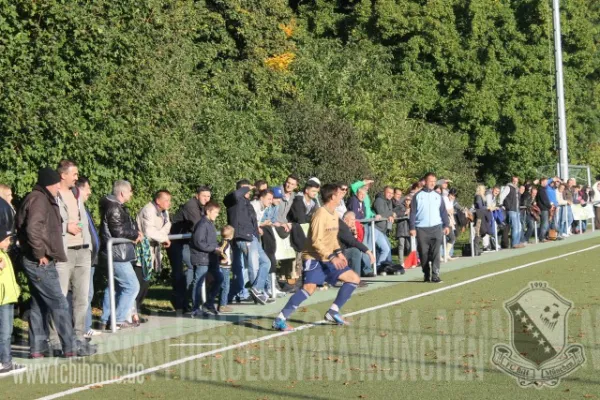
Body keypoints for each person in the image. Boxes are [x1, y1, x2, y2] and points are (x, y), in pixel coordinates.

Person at [17, 167, 96, 357]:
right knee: (59, 302)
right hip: (40, 261)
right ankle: (70, 347)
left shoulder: (38, 197)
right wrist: (40, 254)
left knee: (38, 304)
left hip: (37, 259)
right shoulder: (39, 199)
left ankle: (37, 349)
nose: (57, 188)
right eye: (55, 184)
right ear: (50, 184)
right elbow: (33, 229)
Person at [273, 183, 361, 331]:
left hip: (329, 256)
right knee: (309, 288)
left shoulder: (334, 213)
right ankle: (280, 319)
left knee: (353, 279)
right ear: (332, 196)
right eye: (340, 193)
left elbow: (332, 238)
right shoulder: (320, 214)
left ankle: (333, 312)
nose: (343, 195)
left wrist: (339, 253)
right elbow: (316, 241)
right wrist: (333, 257)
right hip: (314, 258)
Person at [49, 160, 92, 350]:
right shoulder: (52, 194)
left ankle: (78, 336)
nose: (77, 177)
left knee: (82, 298)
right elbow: (47, 222)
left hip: (83, 250)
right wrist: (66, 227)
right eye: (74, 174)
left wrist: (89, 245)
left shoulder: (76, 193)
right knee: (58, 298)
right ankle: (54, 340)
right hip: (63, 252)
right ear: (63, 175)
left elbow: (84, 220)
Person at [99, 180, 142, 329]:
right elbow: (119, 232)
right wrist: (135, 234)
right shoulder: (114, 208)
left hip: (117, 252)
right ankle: (118, 319)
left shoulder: (116, 206)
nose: (131, 194)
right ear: (122, 193)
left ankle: (105, 319)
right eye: (130, 191)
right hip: (117, 253)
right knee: (132, 286)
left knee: (114, 287)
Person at [224, 180, 271, 305]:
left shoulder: (247, 203)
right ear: (241, 189)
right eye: (247, 189)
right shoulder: (233, 201)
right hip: (243, 237)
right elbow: (232, 196)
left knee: (266, 262)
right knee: (252, 266)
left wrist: (256, 232)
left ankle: (256, 289)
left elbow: (252, 221)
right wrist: (247, 187)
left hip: (252, 237)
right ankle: (256, 293)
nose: (249, 191)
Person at [168, 186, 211, 312]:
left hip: (185, 241)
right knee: (180, 271)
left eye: (208, 196)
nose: (207, 199)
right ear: (197, 195)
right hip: (174, 241)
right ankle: (179, 300)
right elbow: (199, 226)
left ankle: (184, 299)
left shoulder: (201, 207)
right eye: (204, 196)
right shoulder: (191, 206)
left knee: (191, 267)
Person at [135, 190, 172, 323]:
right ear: (158, 201)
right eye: (166, 200)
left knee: (146, 282)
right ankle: (133, 311)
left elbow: (168, 225)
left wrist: (162, 236)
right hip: (142, 252)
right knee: (140, 283)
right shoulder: (148, 210)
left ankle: (136, 310)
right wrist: (163, 238)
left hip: (153, 251)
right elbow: (149, 232)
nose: (169, 203)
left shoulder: (164, 212)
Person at [0, 197, 26, 376]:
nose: (9, 242)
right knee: (5, 332)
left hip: (7, 297)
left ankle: (5, 360)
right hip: (3, 299)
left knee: (6, 332)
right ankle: (5, 361)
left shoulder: (4, 254)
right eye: (7, 239)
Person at [409, 172, 450, 283]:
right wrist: (412, 227)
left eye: (434, 181)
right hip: (422, 229)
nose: (432, 183)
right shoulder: (417, 196)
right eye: (430, 181)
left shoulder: (438, 196)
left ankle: (435, 275)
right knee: (423, 253)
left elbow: (443, 212)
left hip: (436, 228)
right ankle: (426, 273)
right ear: (425, 182)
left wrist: (446, 225)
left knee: (436, 252)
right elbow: (412, 213)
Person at [75, 177, 102, 338]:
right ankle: (81, 328)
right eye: (88, 188)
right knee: (83, 294)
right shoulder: (75, 208)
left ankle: (86, 326)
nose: (90, 192)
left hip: (90, 258)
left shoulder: (84, 208)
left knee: (88, 294)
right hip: (82, 257)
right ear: (79, 189)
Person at [189, 201, 225, 316]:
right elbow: (199, 242)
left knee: (219, 278)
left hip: (210, 258)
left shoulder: (209, 223)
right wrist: (214, 248)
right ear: (208, 211)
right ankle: (195, 308)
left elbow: (208, 242)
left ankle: (208, 303)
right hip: (202, 258)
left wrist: (217, 248)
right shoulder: (202, 224)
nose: (217, 215)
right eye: (216, 212)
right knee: (198, 282)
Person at [340, 211, 375, 280]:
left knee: (355, 250)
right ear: (345, 220)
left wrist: (354, 234)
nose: (354, 222)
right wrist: (369, 253)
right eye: (352, 220)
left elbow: (354, 242)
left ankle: (354, 278)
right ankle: (355, 279)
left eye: (355, 219)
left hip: (343, 251)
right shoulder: (342, 228)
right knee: (355, 252)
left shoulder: (347, 228)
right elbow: (353, 242)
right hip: (337, 253)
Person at [217, 225, 234, 313]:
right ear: (231, 235)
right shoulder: (225, 243)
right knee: (225, 286)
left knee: (225, 286)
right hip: (224, 268)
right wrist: (225, 258)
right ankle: (222, 305)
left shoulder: (225, 242)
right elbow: (220, 250)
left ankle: (223, 304)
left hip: (226, 267)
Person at [503, 175, 524, 248]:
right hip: (511, 209)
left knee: (519, 227)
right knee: (515, 227)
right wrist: (503, 205)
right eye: (514, 180)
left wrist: (520, 193)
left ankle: (518, 242)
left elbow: (518, 200)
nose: (515, 182)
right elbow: (502, 196)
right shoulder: (508, 187)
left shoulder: (517, 188)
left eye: (516, 180)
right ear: (512, 180)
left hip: (517, 209)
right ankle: (514, 243)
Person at [395, 195, 412, 264]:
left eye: (409, 200)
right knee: (401, 245)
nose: (407, 201)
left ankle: (409, 261)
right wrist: (405, 213)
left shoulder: (413, 207)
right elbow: (395, 213)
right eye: (406, 200)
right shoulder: (400, 206)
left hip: (409, 229)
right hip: (401, 229)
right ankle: (401, 262)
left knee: (409, 246)